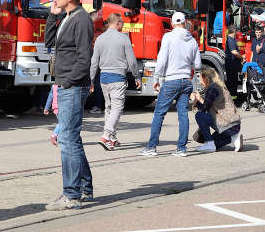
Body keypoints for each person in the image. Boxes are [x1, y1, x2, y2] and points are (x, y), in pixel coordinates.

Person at [44, 0, 94, 211]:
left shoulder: (82, 20)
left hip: (72, 86)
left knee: (67, 139)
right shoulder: (68, 18)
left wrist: (67, 81)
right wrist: (53, 16)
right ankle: (84, 187)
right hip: (65, 85)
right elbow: (50, 42)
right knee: (71, 137)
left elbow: (85, 58)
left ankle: (71, 194)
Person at [140, 12, 201, 158]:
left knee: (159, 113)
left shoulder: (168, 37)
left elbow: (161, 60)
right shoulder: (192, 41)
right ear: (185, 23)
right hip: (186, 81)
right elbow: (197, 64)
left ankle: (151, 147)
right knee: (183, 115)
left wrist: (156, 78)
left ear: (172, 23)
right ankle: (181, 148)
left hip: (171, 80)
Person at [90, 13, 139, 150]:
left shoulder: (99, 38)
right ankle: (106, 135)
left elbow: (94, 62)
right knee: (117, 108)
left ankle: (112, 139)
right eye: (122, 22)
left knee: (109, 108)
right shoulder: (123, 38)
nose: (123, 24)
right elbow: (132, 61)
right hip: (118, 77)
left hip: (104, 78)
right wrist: (136, 76)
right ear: (117, 23)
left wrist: (91, 80)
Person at [191, 66, 243, 153]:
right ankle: (234, 138)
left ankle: (209, 143)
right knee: (216, 144)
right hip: (235, 126)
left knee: (199, 115)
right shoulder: (221, 86)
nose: (200, 82)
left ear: (206, 78)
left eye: (201, 78)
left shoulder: (212, 88)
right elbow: (211, 106)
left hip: (227, 124)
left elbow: (205, 109)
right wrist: (199, 100)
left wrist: (195, 101)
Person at [224, 26, 243, 99]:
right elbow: (234, 52)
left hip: (232, 64)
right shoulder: (231, 40)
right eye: (236, 32)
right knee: (232, 82)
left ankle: (233, 98)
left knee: (232, 82)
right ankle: (232, 99)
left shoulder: (230, 39)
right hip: (232, 65)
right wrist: (242, 58)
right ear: (234, 31)